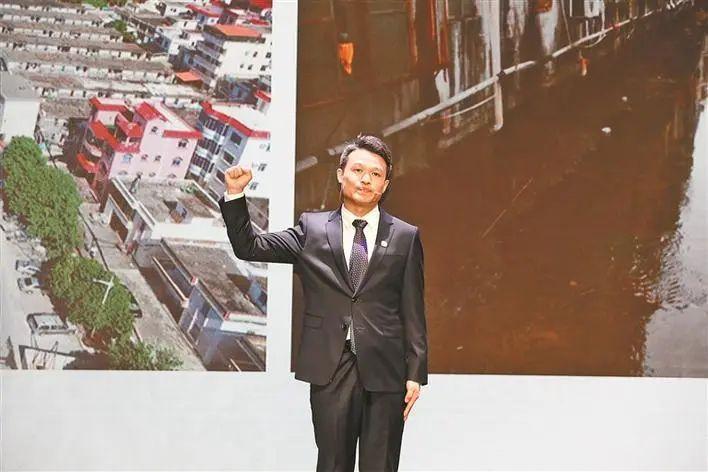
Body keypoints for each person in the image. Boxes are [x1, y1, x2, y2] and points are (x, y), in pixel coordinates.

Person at [219, 134, 428, 471]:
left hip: (387, 370)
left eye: (375, 174)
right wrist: (235, 194)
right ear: (340, 174)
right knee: (332, 464)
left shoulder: (405, 236)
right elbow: (250, 247)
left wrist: (416, 373)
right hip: (331, 367)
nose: (365, 179)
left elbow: (413, 309)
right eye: (358, 170)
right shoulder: (312, 229)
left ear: (385, 184)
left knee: (382, 466)